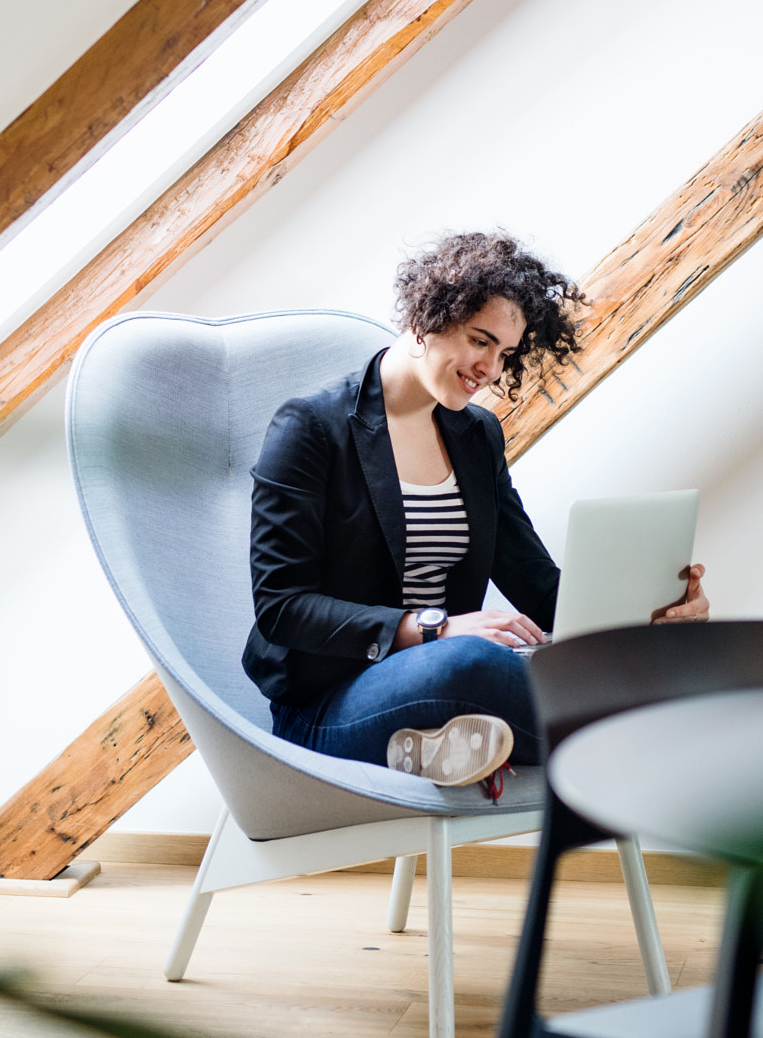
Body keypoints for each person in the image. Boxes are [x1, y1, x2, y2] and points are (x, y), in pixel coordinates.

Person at [243, 231, 708, 795]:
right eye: (479, 340)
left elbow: (535, 584)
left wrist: (645, 613)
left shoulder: (476, 435)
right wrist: (435, 629)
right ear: (425, 318)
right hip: (326, 708)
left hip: (447, 686)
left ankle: (460, 741)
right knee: (468, 661)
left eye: (504, 353)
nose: (489, 366)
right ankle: (664, 731)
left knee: (596, 658)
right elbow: (281, 606)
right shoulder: (312, 428)